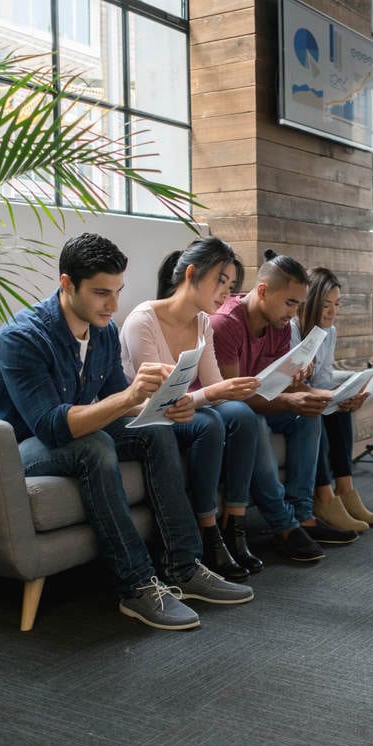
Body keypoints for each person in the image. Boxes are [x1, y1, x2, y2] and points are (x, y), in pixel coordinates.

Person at [0, 233, 252, 632]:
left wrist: (163, 406)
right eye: (101, 293)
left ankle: (184, 566)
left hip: (69, 434)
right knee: (95, 446)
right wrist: (129, 398)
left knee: (155, 431)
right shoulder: (22, 339)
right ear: (66, 283)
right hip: (15, 450)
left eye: (118, 291)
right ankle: (136, 585)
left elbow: (115, 403)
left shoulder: (102, 332)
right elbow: (53, 427)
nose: (114, 305)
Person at [122, 238, 276, 581]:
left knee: (241, 414)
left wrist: (234, 390)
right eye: (220, 281)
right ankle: (207, 528)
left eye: (231, 285)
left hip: (180, 411)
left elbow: (213, 386)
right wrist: (216, 392)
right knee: (210, 424)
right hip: (146, 417)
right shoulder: (142, 321)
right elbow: (160, 403)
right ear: (192, 274)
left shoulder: (203, 323)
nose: (226, 292)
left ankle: (235, 523)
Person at [211, 250, 359, 558]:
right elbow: (231, 395)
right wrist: (290, 398)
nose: (293, 314)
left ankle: (304, 514)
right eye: (290, 303)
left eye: (298, 305)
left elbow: (280, 383)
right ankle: (284, 525)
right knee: (258, 421)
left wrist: (333, 395)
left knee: (308, 417)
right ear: (263, 290)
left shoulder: (278, 325)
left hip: (257, 402)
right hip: (226, 409)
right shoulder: (226, 324)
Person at [291, 267, 373, 532]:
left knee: (340, 408)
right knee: (322, 409)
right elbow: (294, 384)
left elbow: (322, 378)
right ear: (310, 303)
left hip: (312, 394)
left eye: (337, 305)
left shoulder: (328, 332)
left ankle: (345, 490)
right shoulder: (292, 329)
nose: (332, 312)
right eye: (325, 305)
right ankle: (324, 498)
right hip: (291, 399)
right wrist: (334, 393)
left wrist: (360, 385)